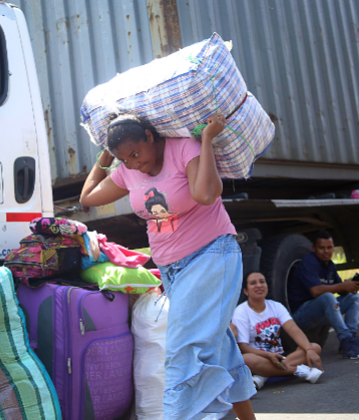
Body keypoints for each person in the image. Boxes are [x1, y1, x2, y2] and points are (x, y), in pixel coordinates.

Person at [80, 113, 256, 420]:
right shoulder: (127, 170)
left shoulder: (184, 148)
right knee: (219, 347)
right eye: (125, 159)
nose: (133, 163)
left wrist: (206, 140)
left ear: (151, 135)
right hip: (173, 269)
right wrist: (107, 155)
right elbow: (89, 197)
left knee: (181, 350)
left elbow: (206, 194)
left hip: (210, 256)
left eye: (135, 153)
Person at [287, 231, 359, 360]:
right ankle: (346, 340)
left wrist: (350, 285)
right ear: (314, 248)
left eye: (329, 247)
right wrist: (342, 286)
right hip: (301, 316)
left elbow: (340, 289)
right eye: (322, 248)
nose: (326, 251)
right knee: (327, 297)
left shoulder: (329, 265)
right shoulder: (309, 263)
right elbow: (315, 291)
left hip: (321, 313)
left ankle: (351, 339)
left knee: (354, 297)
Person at [232, 272, 323, 390]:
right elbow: (243, 347)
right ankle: (298, 370)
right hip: (260, 359)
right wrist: (268, 355)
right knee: (246, 359)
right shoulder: (241, 311)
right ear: (246, 291)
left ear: (267, 286)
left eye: (262, 282)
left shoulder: (276, 306)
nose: (259, 285)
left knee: (315, 347)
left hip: (280, 358)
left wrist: (309, 349)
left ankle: (263, 375)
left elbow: (293, 329)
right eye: (253, 283)